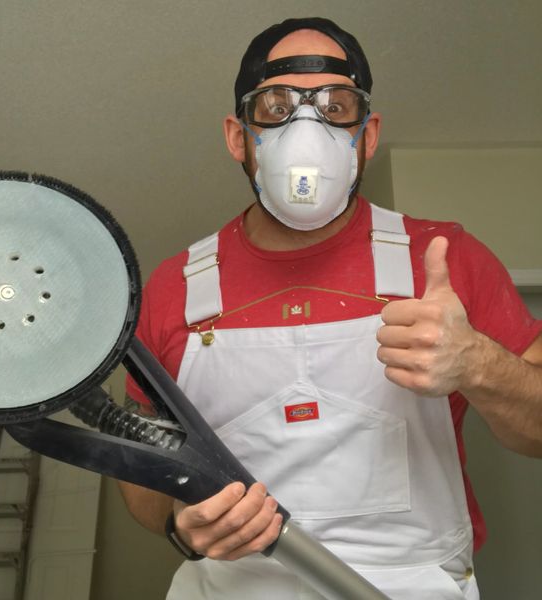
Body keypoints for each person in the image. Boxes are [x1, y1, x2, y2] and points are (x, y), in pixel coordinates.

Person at [119, 17, 542, 600]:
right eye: (276, 106)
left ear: (367, 135)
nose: (306, 129)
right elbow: (140, 467)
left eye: (336, 107)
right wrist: (178, 520)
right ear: (238, 136)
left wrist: (478, 363)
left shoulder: (443, 258)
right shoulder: (175, 288)